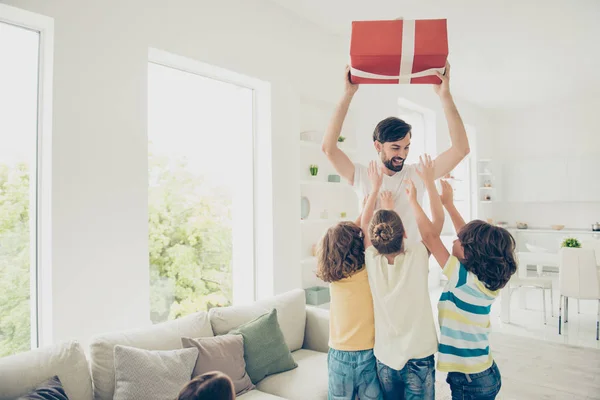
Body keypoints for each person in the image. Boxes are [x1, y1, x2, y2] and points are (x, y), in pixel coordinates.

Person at [322, 62, 469, 242]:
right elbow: (329, 149)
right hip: (375, 265)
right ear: (378, 146)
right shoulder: (362, 175)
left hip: (412, 264)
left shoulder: (418, 173)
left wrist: (445, 96)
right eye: (395, 148)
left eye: (406, 147)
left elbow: (461, 150)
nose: (403, 154)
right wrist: (348, 94)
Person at [407, 167, 517, 400]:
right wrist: (448, 204)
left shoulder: (461, 278)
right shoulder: (486, 281)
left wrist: (413, 201)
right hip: (484, 373)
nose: (455, 238)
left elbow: (430, 237)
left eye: (460, 241)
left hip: (470, 382)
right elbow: (469, 237)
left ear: (470, 254)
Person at [360, 157, 443, 399]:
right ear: (405, 233)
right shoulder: (417, 256)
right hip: (419, 358)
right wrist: (422, 189)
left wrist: (376, 191)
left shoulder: (372, 261)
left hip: (385, 358)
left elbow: (366, 224)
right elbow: (435, 225)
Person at [316, 208, 386, 400]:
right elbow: (361, 233)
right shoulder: (368, 272)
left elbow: (348, 237)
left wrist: (367, 203)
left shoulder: (334, 278)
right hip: (368, 353)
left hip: (339, 355)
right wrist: (370, 202)